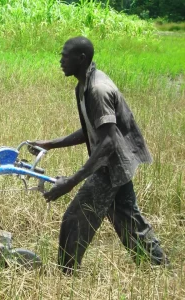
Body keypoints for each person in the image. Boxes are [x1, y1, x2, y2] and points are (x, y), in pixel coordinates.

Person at [29, 36, 169, 274]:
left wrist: (71, 182)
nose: (60, 61)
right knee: (129, 222)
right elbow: (91, 130)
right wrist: (50, 144)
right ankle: (159, 269)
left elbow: (107, 143)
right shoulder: (83, 86)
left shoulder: (97, 89)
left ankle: (66, 276)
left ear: (81, 59)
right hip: (115, 164)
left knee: (75, 218)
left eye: (65, 56)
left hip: (111, 167)